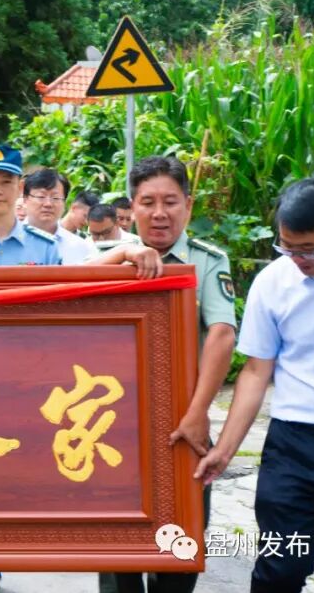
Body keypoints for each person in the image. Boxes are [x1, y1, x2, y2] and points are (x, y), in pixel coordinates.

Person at [0, 145, 159, 593]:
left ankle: (33, 547)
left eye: (6, 182)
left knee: (25, 468)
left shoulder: (46, 247)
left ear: (20, 188)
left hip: (31, 379)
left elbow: (77, 288)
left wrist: (124, 253)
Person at [194, 176, 314, 593]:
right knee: (281, 568)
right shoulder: (274, 282)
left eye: (307, 249)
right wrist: (225, 450)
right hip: (295, 448)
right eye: (286, 247)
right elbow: (256, 371)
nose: (296, 259)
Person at [100, 156, 238, 593]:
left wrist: (198, 414)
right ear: (132, 207)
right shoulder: (108, 258)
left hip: (182, 427)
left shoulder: (208, 261)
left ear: (188, 206)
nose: (159, 213)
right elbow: (60, 288)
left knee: (179, 549)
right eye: (148, 202)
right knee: (118, 554)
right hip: (113, 430)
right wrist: (123, 253)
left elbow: (221, 334)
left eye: (171, 202)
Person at [22, 169, 96, 265]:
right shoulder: (9, 242)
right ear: (25, 200)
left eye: (56, 198)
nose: (48, 204)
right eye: (41, 197)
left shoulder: (81, 247)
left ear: (64, 202)